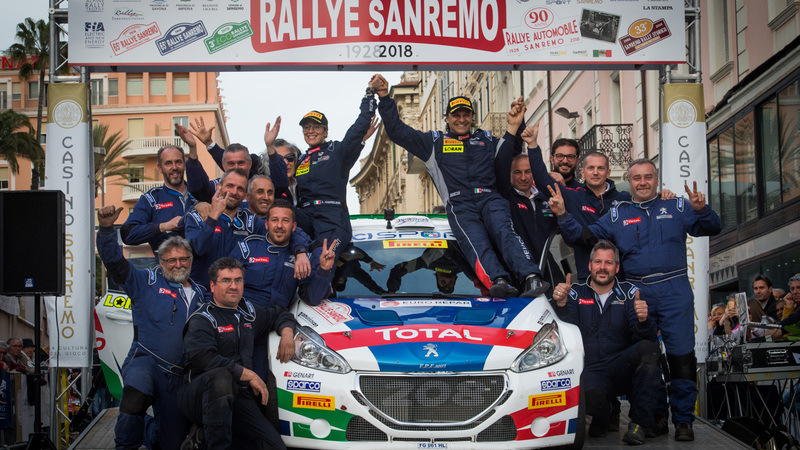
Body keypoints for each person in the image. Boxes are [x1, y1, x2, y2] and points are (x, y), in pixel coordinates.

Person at [549, 159, 722, 441]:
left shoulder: (676, 206)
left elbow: (712, 227)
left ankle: (683, 421)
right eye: (637, 178)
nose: (643, 182)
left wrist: (702, 209)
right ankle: (655, 417)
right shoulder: (618, 214)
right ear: (629, 182)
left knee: (682, 356)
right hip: (637, 291)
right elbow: (584, 237)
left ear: (657, 179)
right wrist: (563, 215)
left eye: (648, 177)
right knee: (646, 356)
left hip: (674, 287)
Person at [371, 73, 548, 298]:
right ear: (447, 118)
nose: (461, 119)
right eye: (456, 115)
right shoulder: (433, 143)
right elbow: (397, 131)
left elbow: (510, 152)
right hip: (459, 202)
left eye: (466, 114)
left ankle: (531, 277)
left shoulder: (486, 139)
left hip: (490, 196)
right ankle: (499, 279)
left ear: (472, 117)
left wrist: (517, 123)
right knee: (476, 242)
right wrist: (385, 97)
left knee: (506, 232)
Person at [96, 205, 204, 450]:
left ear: (190, 260)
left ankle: (148, 430)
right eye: (171, 260)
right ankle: (125, 445)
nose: (177, 264)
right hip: (146, 361)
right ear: (160, 261)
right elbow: (114, 262)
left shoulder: (202, 294)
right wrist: (105, 231)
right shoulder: (144, 281)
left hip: (178, 376)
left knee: (171, 442)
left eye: (183, 259)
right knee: (135, 397)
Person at [178, 257, 294, 450]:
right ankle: (209, 440)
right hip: (198, 395)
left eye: (238, 280)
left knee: (274, 446)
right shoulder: (203, 318)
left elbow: (279, 314)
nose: (233, 286)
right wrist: (248, 374)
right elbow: (204, 359)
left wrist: (287, 333)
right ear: (213, 286)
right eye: (226, 281)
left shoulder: (247, 312)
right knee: (221, 376)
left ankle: (204, 437)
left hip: (237, 394)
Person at [551, 241, 660, 445]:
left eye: (608, 263)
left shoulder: (630, 294)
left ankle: (639, 424)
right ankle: (607, 412)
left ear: (617, 268)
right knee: (595, 418)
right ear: (590, 265)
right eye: (598, 262)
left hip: (621, 366)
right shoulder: (574, 293)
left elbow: (643, 339)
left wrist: (644, 321)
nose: (603, 267)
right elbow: (566, 334)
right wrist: (561, 305)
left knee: (649, 350)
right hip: (590, 370)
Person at [521, 124, 632, 281]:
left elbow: (647, 202)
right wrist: (532, 145)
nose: (595, 172)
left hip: (621, 278)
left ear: (608, 172)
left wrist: (662, 196)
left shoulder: (624, 199)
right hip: (587, 278)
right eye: (591, 168)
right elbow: (542, 179)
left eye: (600, 168)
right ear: (583, 171)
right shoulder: (572, 196)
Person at [292, 92, 376, 264]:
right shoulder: (300, 159)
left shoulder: (336, 151)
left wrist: (369, 95)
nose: (310, 131)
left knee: (323, 263)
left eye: (316, 127)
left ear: (325, 131)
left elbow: (357, 130)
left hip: (331, 218)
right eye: (306, 128)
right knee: (279, 211)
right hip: (306, 216)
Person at [495, 149, 564, 292]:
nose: (523, 177)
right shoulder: (503, 199)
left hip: (549, 271)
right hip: (518, 275)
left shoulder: (547, 198)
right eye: (517, 172)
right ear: (509, 174)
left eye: (528, 171)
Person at [120, 145, 196, 256]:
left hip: (202, 270)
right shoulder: (151, 199)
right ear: (160, 168)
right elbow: (128, 234)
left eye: (178, 162)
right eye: (168, 163)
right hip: (169, 270)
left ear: (184, 164)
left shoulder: (199, 193)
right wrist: (164, 226)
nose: (174, 167)